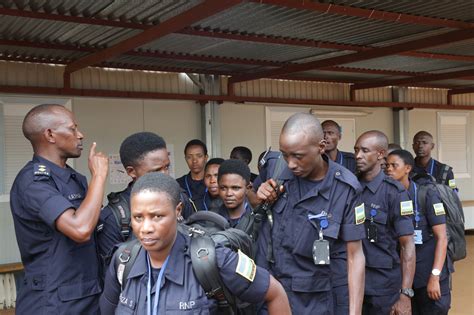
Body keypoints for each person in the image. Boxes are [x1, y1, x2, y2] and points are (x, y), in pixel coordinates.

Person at [99, 172, 291, 314]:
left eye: (157, 216)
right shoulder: (123, 261)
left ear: (178, 211)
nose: (146, 227)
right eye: (138, 217)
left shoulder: (211, 259)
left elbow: (274, 294)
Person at [256, 113, 365, 315]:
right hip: (275, 291)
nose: (290, 164)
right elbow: (254, 214)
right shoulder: (277, 170)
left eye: (298, 156)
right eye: (285, 154)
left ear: (321, 147)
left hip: (320, 297)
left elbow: (355, 255)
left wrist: (354, 312)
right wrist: (259, 194)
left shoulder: (345, 188)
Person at [10, 104, 108, 314]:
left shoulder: (75, 179)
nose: (80, 135)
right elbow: (80, 229)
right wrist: (99, 177)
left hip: (88, 294)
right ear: (50, 134)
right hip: (53, 301)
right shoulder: (33, 183)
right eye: (72, 129)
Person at [97, 132, 195, 265]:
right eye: (156, 171)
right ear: (131, 171)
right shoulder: (115, 217)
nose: (164, 175)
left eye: (166, 167)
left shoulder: (180, 199)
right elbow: (113, 273)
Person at [354, 131, 416, 315]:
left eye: (365, 151)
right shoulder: (350, 187)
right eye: (356, 150)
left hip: (383, 287)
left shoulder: (394, 192)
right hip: (350, 283)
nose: (358, 156)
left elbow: (407, 246)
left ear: (381, 154)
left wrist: (405, 294)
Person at [386, 150, 452, 315]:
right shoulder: (388, 197)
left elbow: (442, 237)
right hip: (404, 278)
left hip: (428, 273)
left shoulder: (427, 195)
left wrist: (435, 276)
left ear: (407, 168)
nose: (389, 169)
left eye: (394, 165)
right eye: (387, 165)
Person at [216, 159, 253, 228]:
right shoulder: (212, 218)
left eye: (235, 188)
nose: (229, 193)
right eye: (223, 188)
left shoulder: (257, 220)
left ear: (248, 188)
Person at [176, 139, 209, 203]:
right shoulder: (178, 184)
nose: (194, 161)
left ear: (206, 157)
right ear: (185, 159)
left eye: (199, 156)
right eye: (189, 157)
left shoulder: (213, 182)